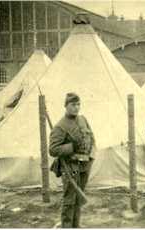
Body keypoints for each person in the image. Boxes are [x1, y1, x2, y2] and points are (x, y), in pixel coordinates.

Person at [49, 93, 95, 228]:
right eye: (73, 105)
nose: (76, 107)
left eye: (78, 104)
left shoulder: (83, 119)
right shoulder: (60, 126)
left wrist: (91, 157)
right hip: (70, 167)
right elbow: (53, 149)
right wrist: (71, 147)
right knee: (70, 200)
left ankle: (76, 225)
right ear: (66, 106)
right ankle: (67, 226)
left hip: (85, 165)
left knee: (79, 198)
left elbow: (91, 138)